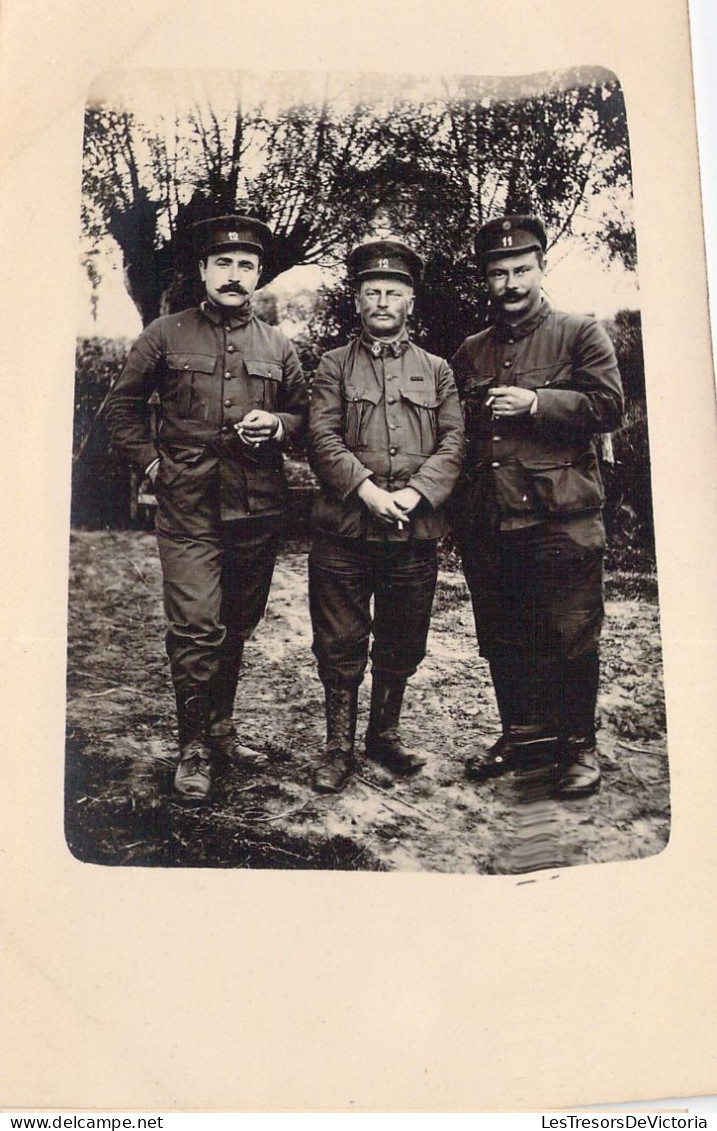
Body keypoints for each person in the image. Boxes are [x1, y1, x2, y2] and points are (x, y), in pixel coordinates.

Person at [106, 214, 308, 803]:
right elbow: (121, 410)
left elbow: (306, 417)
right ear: (202, 270)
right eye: (223, 263)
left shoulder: (278, 346)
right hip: (188, 506)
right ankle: (193, 745)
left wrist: (277, 424)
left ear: (260, 275)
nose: (234, 275)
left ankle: (221, 730)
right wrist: (151, 465)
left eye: (246, 266)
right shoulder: (165, 335)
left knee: (235, 625)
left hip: (256, 508)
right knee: (197, 625)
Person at [451, 215, 624, 799]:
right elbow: (460, 435)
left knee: (570, 632)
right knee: (504, 634)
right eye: (498, 274)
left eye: (522, 269)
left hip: (563, 518)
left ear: (541, 268)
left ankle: (578, 748)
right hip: (493, 520)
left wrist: (536, 403)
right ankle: (524, 739)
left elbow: (609, 406)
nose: (511, 284)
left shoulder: (580, 333)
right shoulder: (471, 351)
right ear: (486, 280)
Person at [307, 237, 465, 793]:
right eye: (371, 291)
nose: (381, 301)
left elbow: (453, 444)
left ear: (410, 302)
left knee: (403, 638)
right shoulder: (331, 366)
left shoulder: (438, 370)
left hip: (412, 531)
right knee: (340, 639)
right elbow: (321, 437)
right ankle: (338, 747)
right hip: (344, 531)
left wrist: (417, 494)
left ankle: (385, 736)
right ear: (356, 301)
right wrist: (367, 491)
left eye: (392, 292)